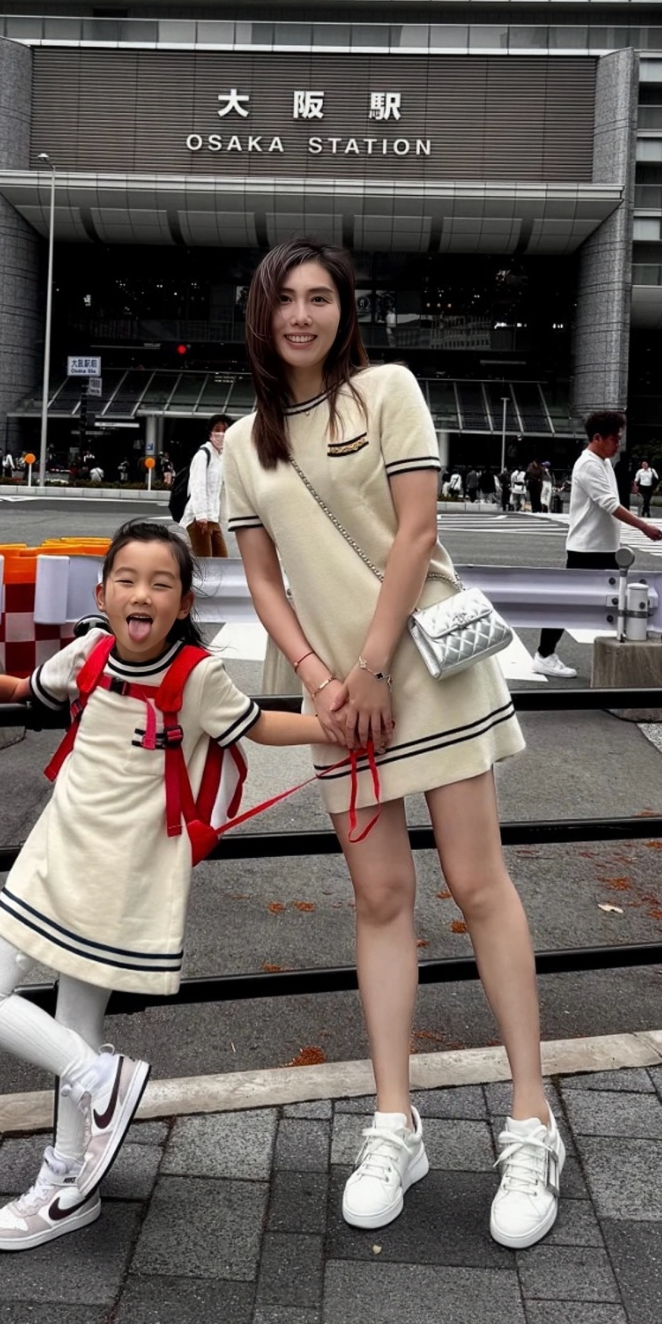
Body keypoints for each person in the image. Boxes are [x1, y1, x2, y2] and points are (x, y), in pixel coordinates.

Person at [224, 237, 565, 1250]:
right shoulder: (243, 443)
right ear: (260, 314)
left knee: (477, 881)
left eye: (319, 296)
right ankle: (394, 1123)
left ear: (344, 310)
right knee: (378, 898)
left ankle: (532, 1120)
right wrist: (323, 678)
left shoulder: (389, 391)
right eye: (284, 298)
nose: (302, 314)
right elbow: (263, 580)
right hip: (338, 696)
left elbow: (417, 533)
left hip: (424, 670)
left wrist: (370, 666)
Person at [0, 518, 340, 1254]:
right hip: (55, 859)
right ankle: (94, 1098)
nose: (141, 594)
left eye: (161, 583)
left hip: (121, 879)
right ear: (102, 593)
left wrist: (336, 727)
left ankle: (71, 1165)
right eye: (126, 579)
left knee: (28, 1014)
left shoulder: (197, 677)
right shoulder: (88, 654)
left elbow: (257, 726)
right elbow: (24, 690)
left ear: (183, 604)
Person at [534, 409, 662, 679]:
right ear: (597, 438)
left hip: (602, 547)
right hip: (587, 549)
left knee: (620, 601)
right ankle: (544, 655)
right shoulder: (588, 465)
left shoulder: (603, 462)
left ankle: (636, 654)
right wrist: (644, 527)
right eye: (614, 439)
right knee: (572, 603)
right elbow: (609, 504)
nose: (618, 445)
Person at [182, 416, 230, 559]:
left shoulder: (221, 457)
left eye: (225, 430)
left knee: (222, 561)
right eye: (217, 430)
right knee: (205, 564)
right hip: (200, 520)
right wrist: (201, 515)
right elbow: (198, 485)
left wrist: (223, 516)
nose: (221, 434)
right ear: (210, 433)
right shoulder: (203, 455)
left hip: (213, 519)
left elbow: (222, 490)